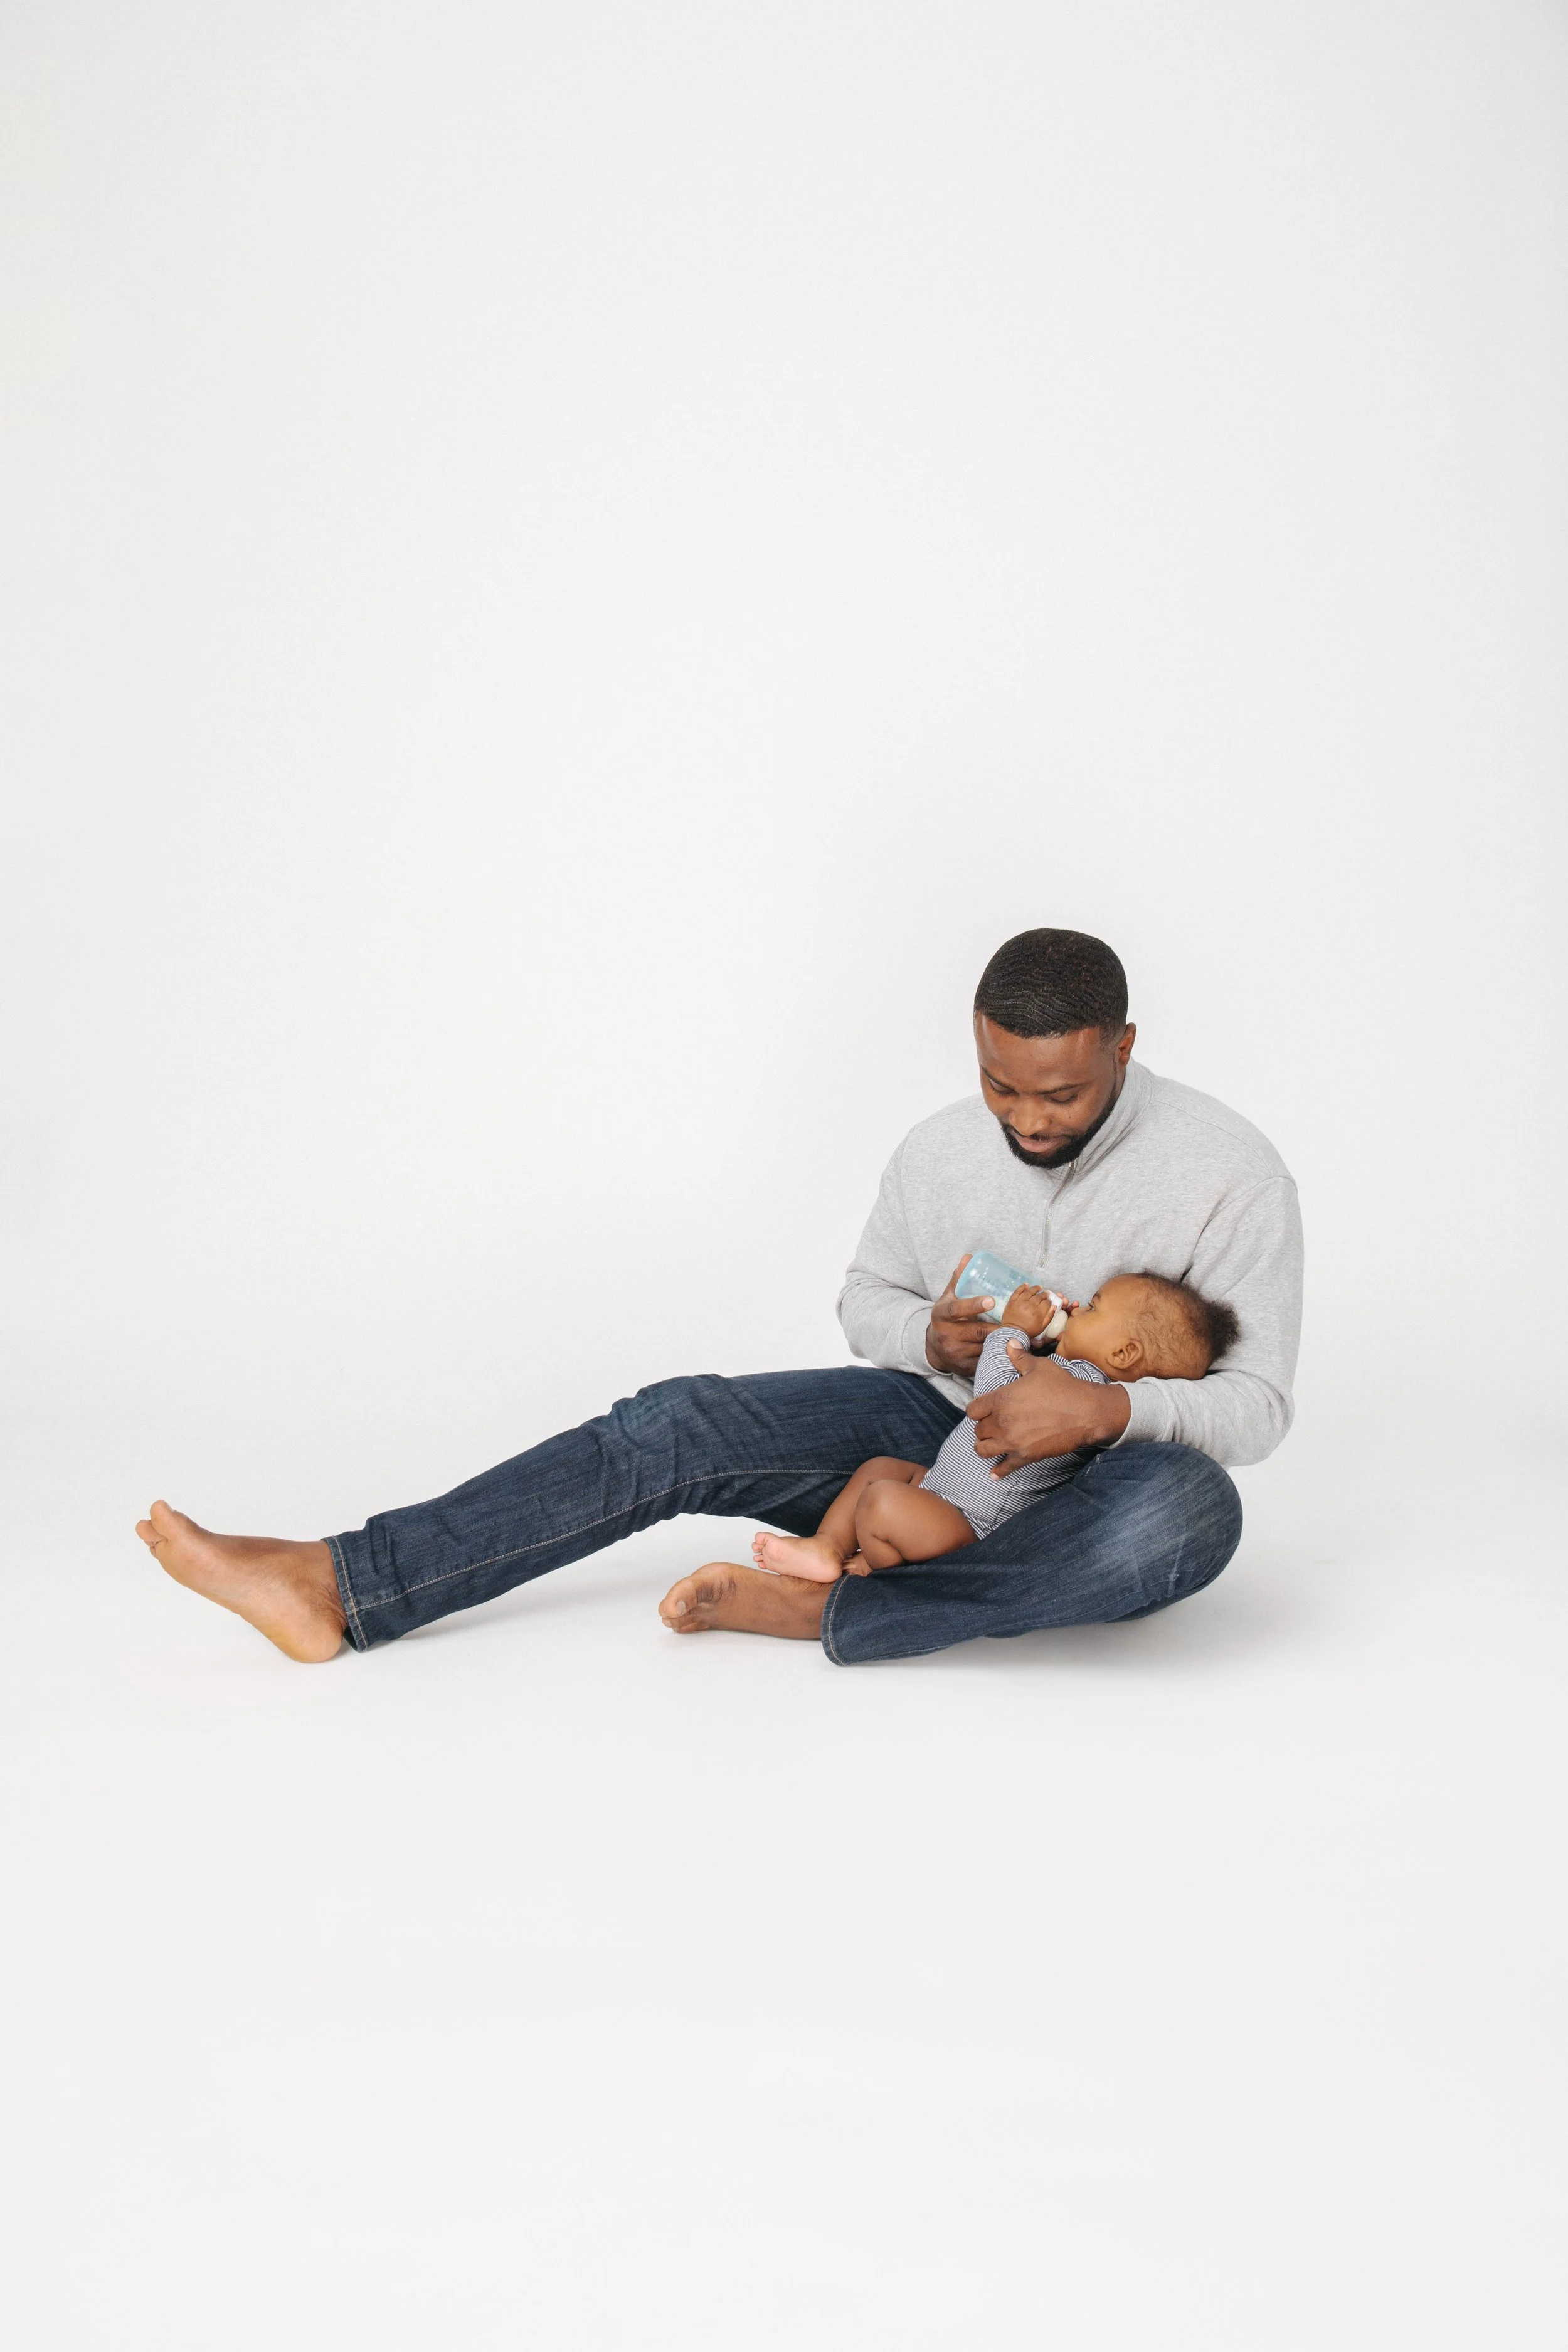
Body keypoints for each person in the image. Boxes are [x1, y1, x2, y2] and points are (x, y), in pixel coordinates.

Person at [135, 928, 1303, 1666]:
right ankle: (342, 1584)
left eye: (1060, 1094)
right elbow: (867, 1300)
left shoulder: (1228, 1170)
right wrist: (928, 1332)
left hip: (1104, 1481)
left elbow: (1257, 1409)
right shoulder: (940, 1149)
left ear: (1126, 1047)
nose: (1030, 1120)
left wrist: (1105, 1414)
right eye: (1002, 1086)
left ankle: (827, 1612)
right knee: (679, 1420)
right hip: (936, 1439)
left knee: (1189, 1518)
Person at [748, 1271, 1240, 1583]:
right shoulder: (1062, 1369)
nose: (1073, 1308)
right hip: (946, 1496)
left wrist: (1013, 1328)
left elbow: (992, 1393)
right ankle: (826, 1548)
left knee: (881, 1500)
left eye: (1092, 1307)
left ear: (1123, 1354)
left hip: (970, 1526)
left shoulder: (1079, 1388)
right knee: (883, 1470)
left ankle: (879, 1572)